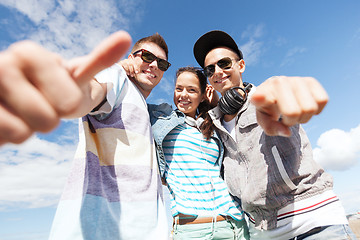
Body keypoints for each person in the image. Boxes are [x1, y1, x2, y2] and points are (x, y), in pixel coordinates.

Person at [0, 31, 170, 239]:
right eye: (147, 56)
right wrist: (68, 93)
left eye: (162, 64)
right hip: (105, 229)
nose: (154, 65)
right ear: (131, 58)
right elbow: (92, 94)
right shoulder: (117, 78)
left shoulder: (144, 106)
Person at [193, 30, 356, 240]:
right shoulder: (215, 125)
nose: (217, 71)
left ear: (241, 66)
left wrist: (285, 90)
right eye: (210, 69)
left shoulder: (263, 100)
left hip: (315, 225)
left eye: (224, 63)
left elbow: (277, 91)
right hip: (263, 233)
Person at [147, 67, 249, 239]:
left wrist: (215, 105)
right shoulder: (161, 118)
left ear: (202, 95)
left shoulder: (210, 125)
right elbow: (128, 100)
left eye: (192, 90)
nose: (183, 95)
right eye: (179, 89)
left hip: (233, 224)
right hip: (193, 228)